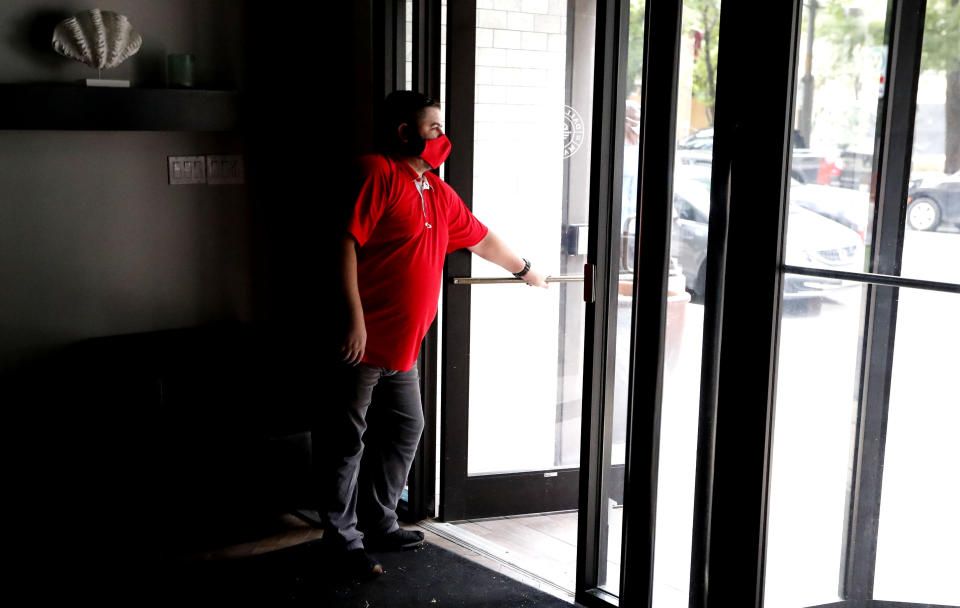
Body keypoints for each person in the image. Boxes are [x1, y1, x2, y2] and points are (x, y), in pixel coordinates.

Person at [322, 90, 547, 578]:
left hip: (403, 349)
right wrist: (353, 319)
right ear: (405, 132)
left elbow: (482, 238)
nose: (443, 138)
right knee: (346, 441)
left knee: (406, 428)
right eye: (434, 129)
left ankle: (379, 523)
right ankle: (341, 539)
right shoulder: (375, 172)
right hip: (361, 344)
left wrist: (524, 269)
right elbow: (343, 243)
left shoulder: (437, 193)